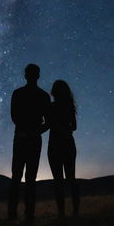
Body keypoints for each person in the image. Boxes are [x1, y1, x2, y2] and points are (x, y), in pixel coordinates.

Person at [8, 64, 51, 223]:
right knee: (24, 177)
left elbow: (14, 117)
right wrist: (36, 130)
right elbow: (47, 122)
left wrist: (33, 131)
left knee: (21, 176)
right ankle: (24, 214)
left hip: (24, 138)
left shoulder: (20, 94)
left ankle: (20, 214)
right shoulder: (41, 95)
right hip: (26, 138)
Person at [47, 80, 80, 217]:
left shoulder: (52, 107)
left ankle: (62, 213)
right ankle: (75, 212)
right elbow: (74, 126)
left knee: (58, 181)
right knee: (71, 179)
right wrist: (66, 130)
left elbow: (48, 124)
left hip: (55, 145)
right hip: (67, 143)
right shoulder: (69, 106)